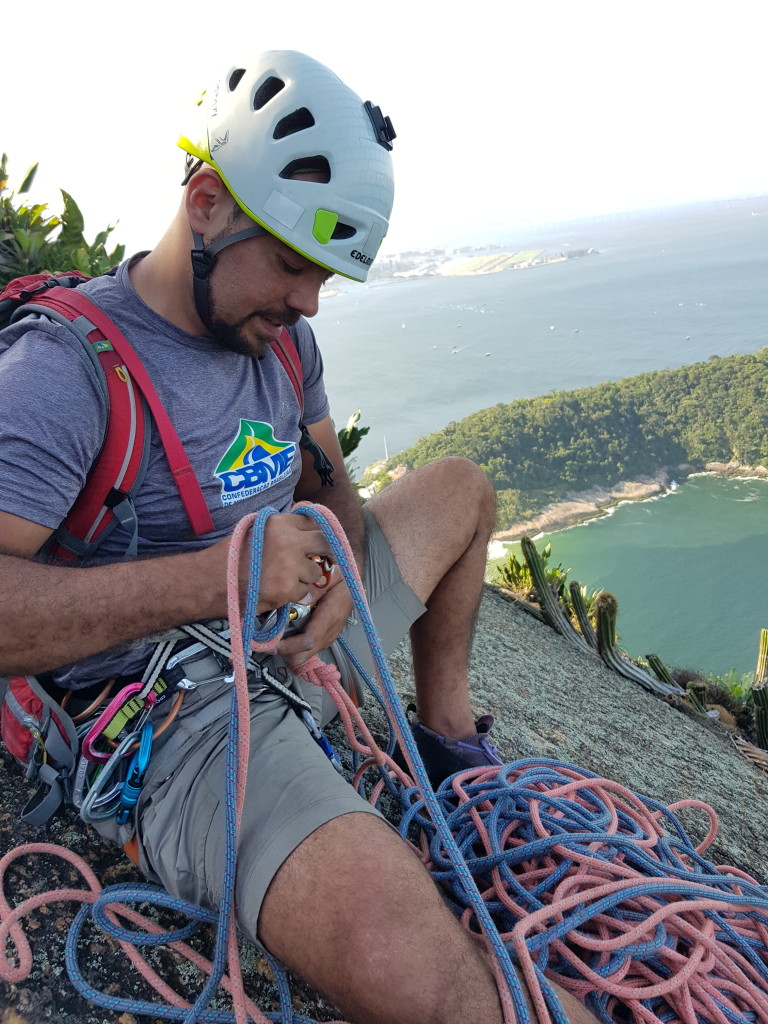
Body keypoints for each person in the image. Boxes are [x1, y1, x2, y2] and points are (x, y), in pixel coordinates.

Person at [0, 51, 595, 1024]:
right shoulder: (59, 373)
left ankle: (445, 743)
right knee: (437, 987)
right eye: (290, 262)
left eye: (324, 275)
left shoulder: (278, 339)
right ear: (205, 204)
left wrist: (332, 578)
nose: (311, 302)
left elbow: (331, 486)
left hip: (288, 634)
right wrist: (226, 577)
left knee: (462, 491)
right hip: (178, 721)